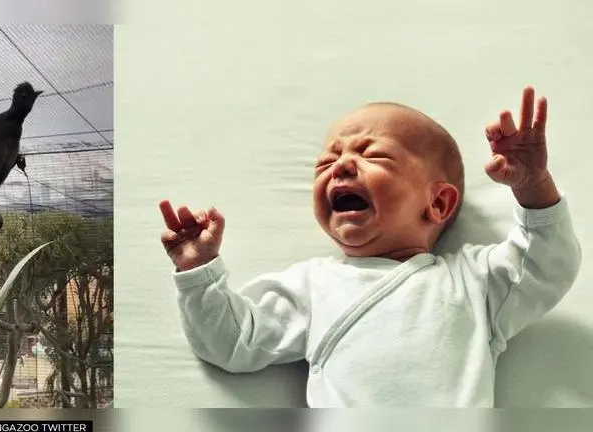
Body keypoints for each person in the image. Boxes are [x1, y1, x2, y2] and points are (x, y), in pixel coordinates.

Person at [157, 87, 581, 407]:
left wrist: (534, 187)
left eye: (373, 155)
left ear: (437, 203)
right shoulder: (313, 285)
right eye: (327, 162)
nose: (341, 165)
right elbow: (233, 341)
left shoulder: (472, 280)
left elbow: (546, 265)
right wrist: (199, 270)